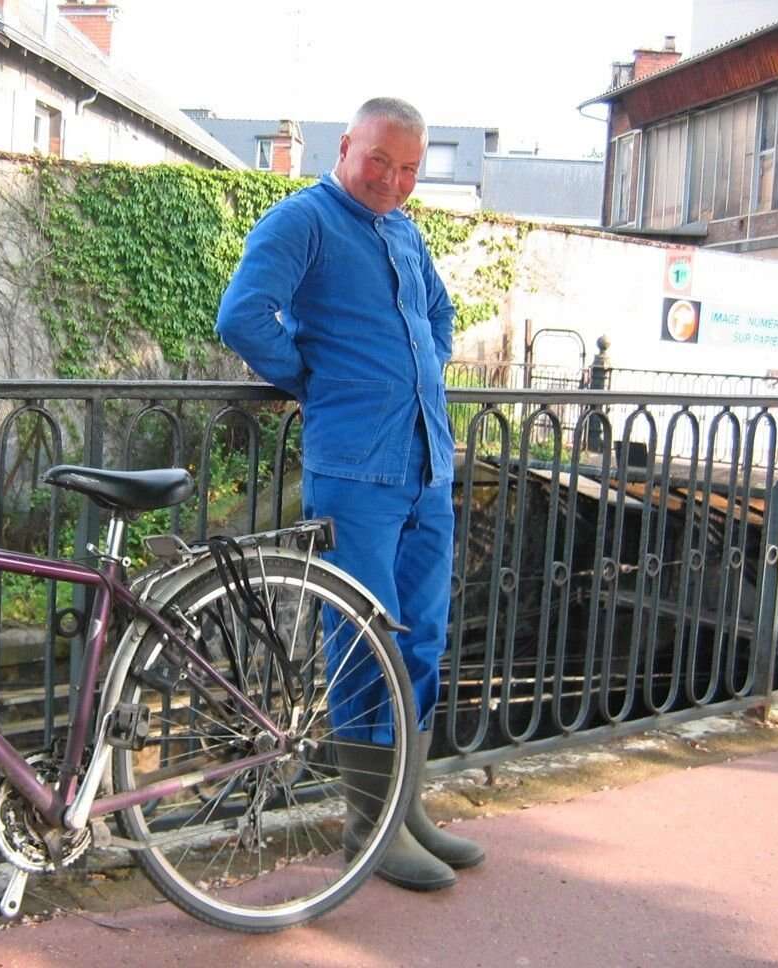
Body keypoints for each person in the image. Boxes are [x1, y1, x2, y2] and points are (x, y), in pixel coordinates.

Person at [215, 97, 484, 891]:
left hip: (426, 466)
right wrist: (320, 378)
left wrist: (424, 372)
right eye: (381, 162)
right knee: (366, 641)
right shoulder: (303, 221)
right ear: (347, 147)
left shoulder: (405, 229)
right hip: (355, 474)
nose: (394, 181)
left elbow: (440, 311)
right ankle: (369, 828)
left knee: (423, 638)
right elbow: (243, 317)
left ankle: (407, 805)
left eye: (410, 169)